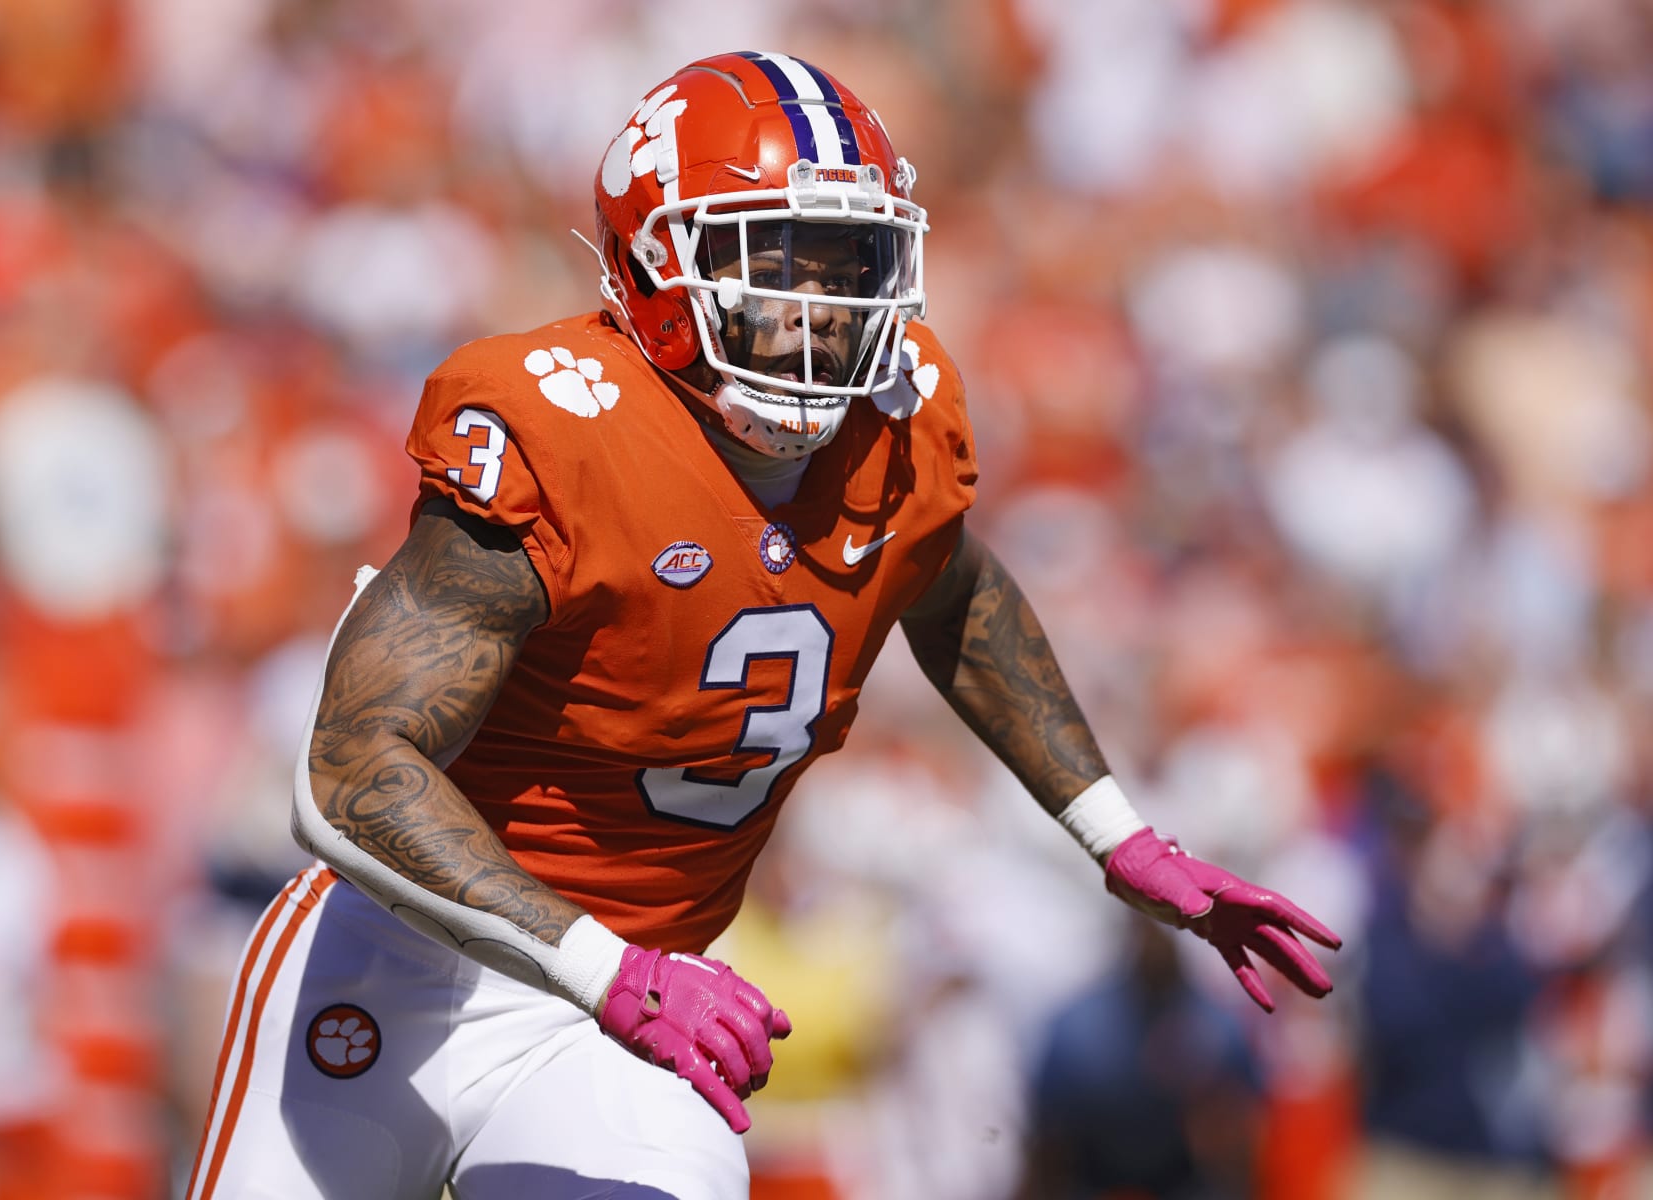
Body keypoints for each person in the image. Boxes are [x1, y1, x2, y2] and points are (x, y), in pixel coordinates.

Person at [185, 51, 1342, 1200]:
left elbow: (952, 589)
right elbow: (351, 770)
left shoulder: (900, 425)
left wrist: (1114, 832)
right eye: (776, 262)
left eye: (850, 264)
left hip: (640, 1009)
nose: (821, 311)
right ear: (655, 265)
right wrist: (608, 970)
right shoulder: (558, 426)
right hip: (403, 958)